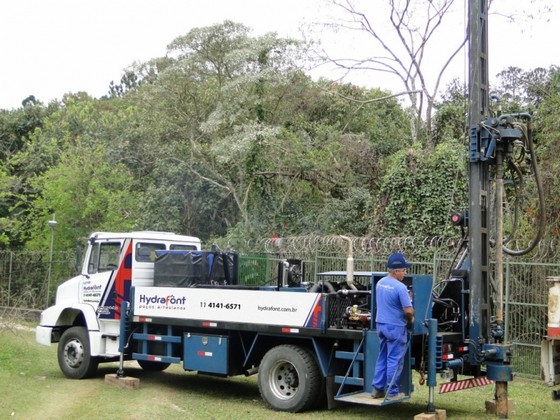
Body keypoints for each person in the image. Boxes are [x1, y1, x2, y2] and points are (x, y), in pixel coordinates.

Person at [371, 252, 415, 399]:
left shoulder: (380, 282)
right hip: (395, 327)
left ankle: (377, 389)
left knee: (382, 356)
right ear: (396, 271)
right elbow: (408, 311)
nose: (405, 272)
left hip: (381, 325)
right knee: (394, 359)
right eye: (403, 270)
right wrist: (411, 321)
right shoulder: (401, 287)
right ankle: (392, 392)